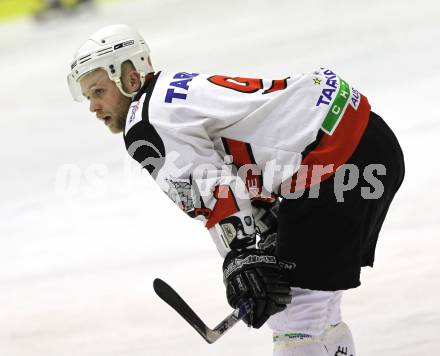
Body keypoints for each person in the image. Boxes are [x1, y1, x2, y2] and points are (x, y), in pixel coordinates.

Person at [67, 24, 405, 355]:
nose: (94, 107)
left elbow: (216, 190)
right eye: (88, 97)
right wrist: (269, 227)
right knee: (319, 308)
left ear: (130, 78)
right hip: (369, 144)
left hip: (333, 164)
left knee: (295, 319)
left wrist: (241, 256)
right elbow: (248, 163)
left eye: (99, 92)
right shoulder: (173, 93)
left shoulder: (145, 123)